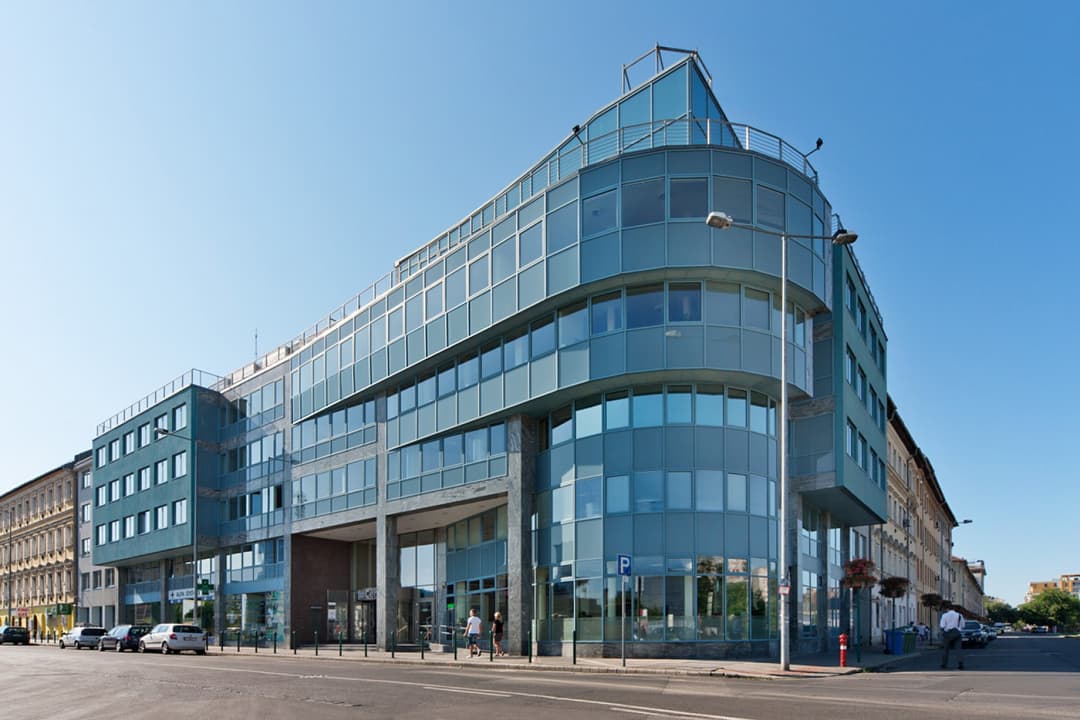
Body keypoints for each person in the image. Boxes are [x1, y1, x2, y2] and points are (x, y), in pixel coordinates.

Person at [939, 604, 964, 670]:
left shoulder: (944, 615)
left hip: (947, 633)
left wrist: (944, 630)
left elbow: (942, 626)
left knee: (945, 650)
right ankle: (960, 663)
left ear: (947, 609)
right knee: (958, 649)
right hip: (957, 633)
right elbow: (963, 625)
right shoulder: (959, 615)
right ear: (954, 609)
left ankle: (944, 664)